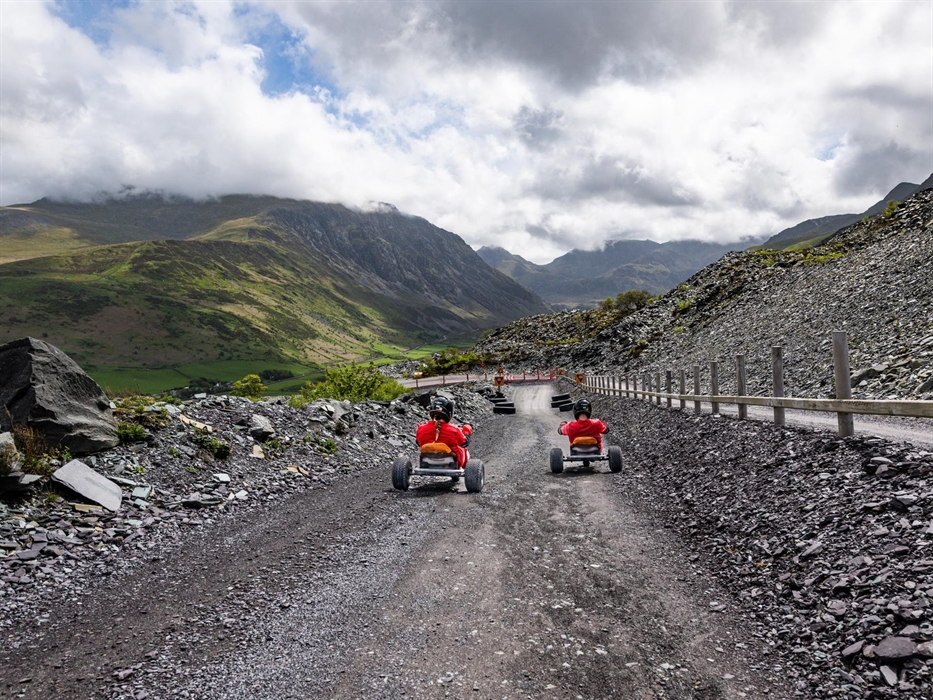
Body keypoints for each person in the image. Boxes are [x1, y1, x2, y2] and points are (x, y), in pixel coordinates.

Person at [416, 396, 473, 468]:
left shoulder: (421, 428)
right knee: (463, 449)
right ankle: (466, 469)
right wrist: (467, 430)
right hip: (452, 462)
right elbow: (464, 443)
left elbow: (418, 442)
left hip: (427, 460)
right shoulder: (454, 430)